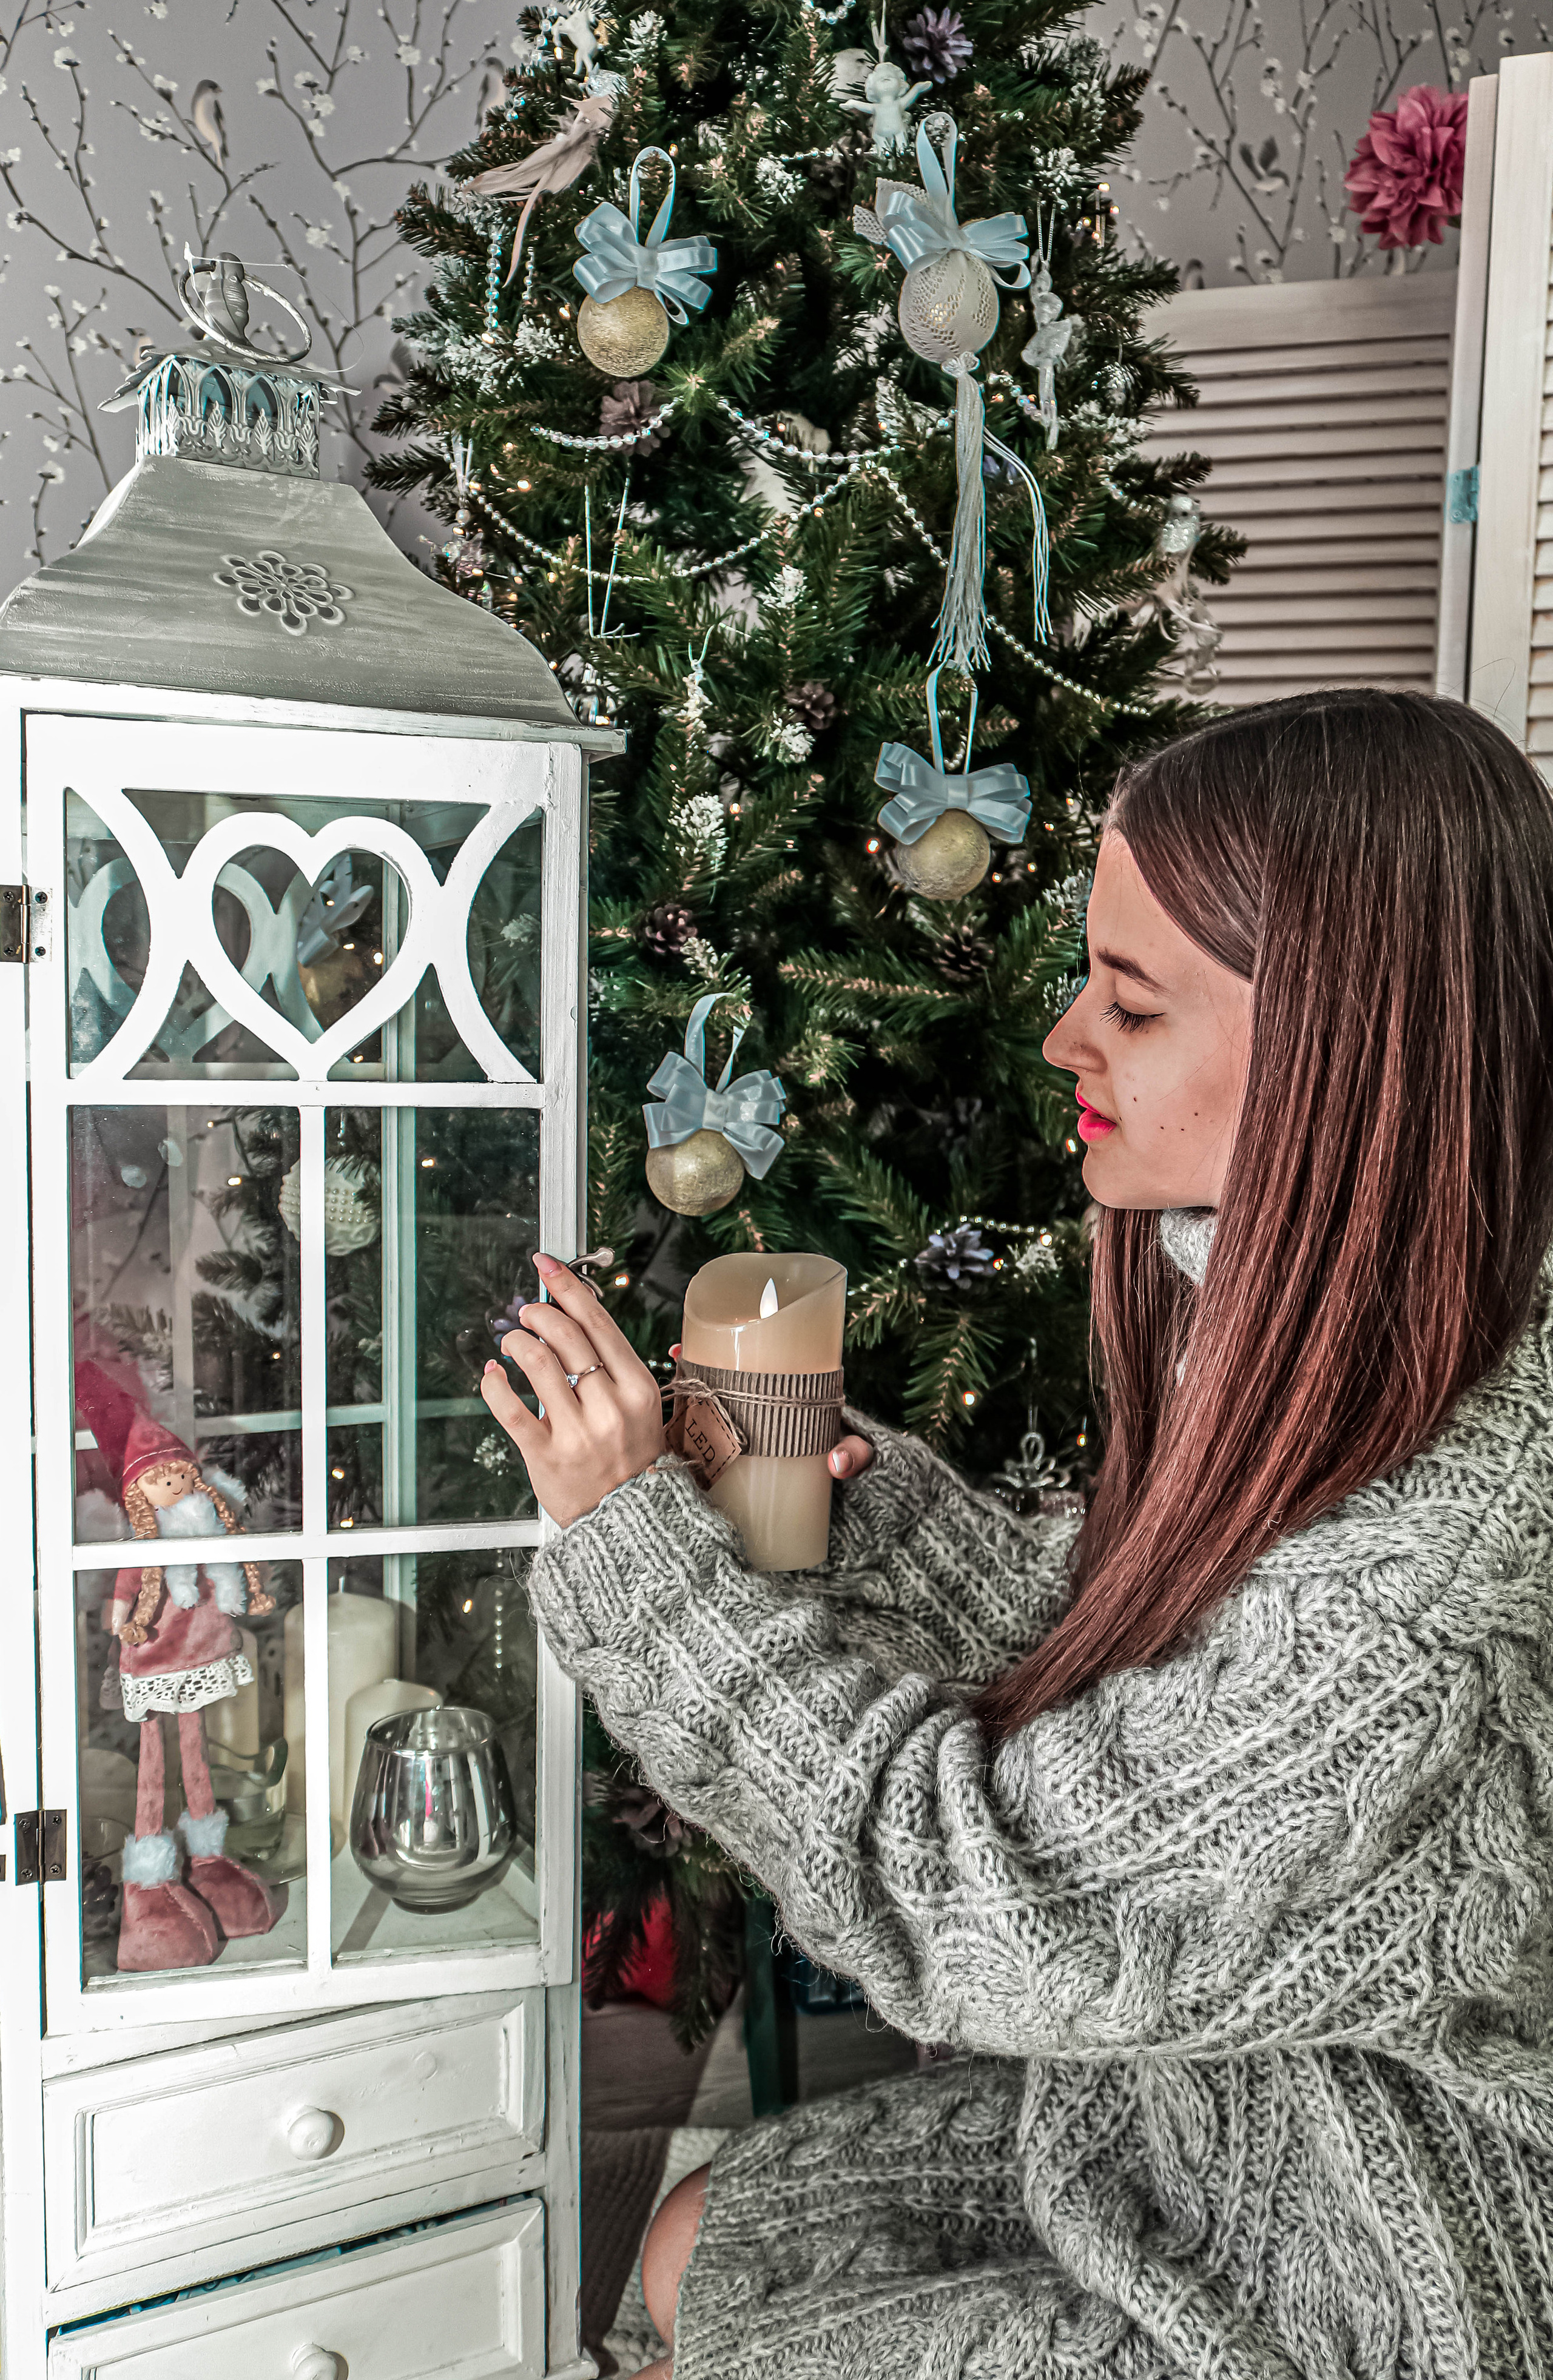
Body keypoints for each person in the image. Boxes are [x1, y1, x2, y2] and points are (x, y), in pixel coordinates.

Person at [480, 688, 1553, 2380]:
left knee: (724, 2330)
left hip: (1366, 2275)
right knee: (699, 2241)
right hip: (1209, 2106)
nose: (1063, 1037)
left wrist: (641, 1561)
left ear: (1350, 1052)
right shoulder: (1360, 1328)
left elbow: (978, 1895)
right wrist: (874, 1521)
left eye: (1129, 1001)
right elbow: (1176, 1691)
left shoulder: (1431, 1612)